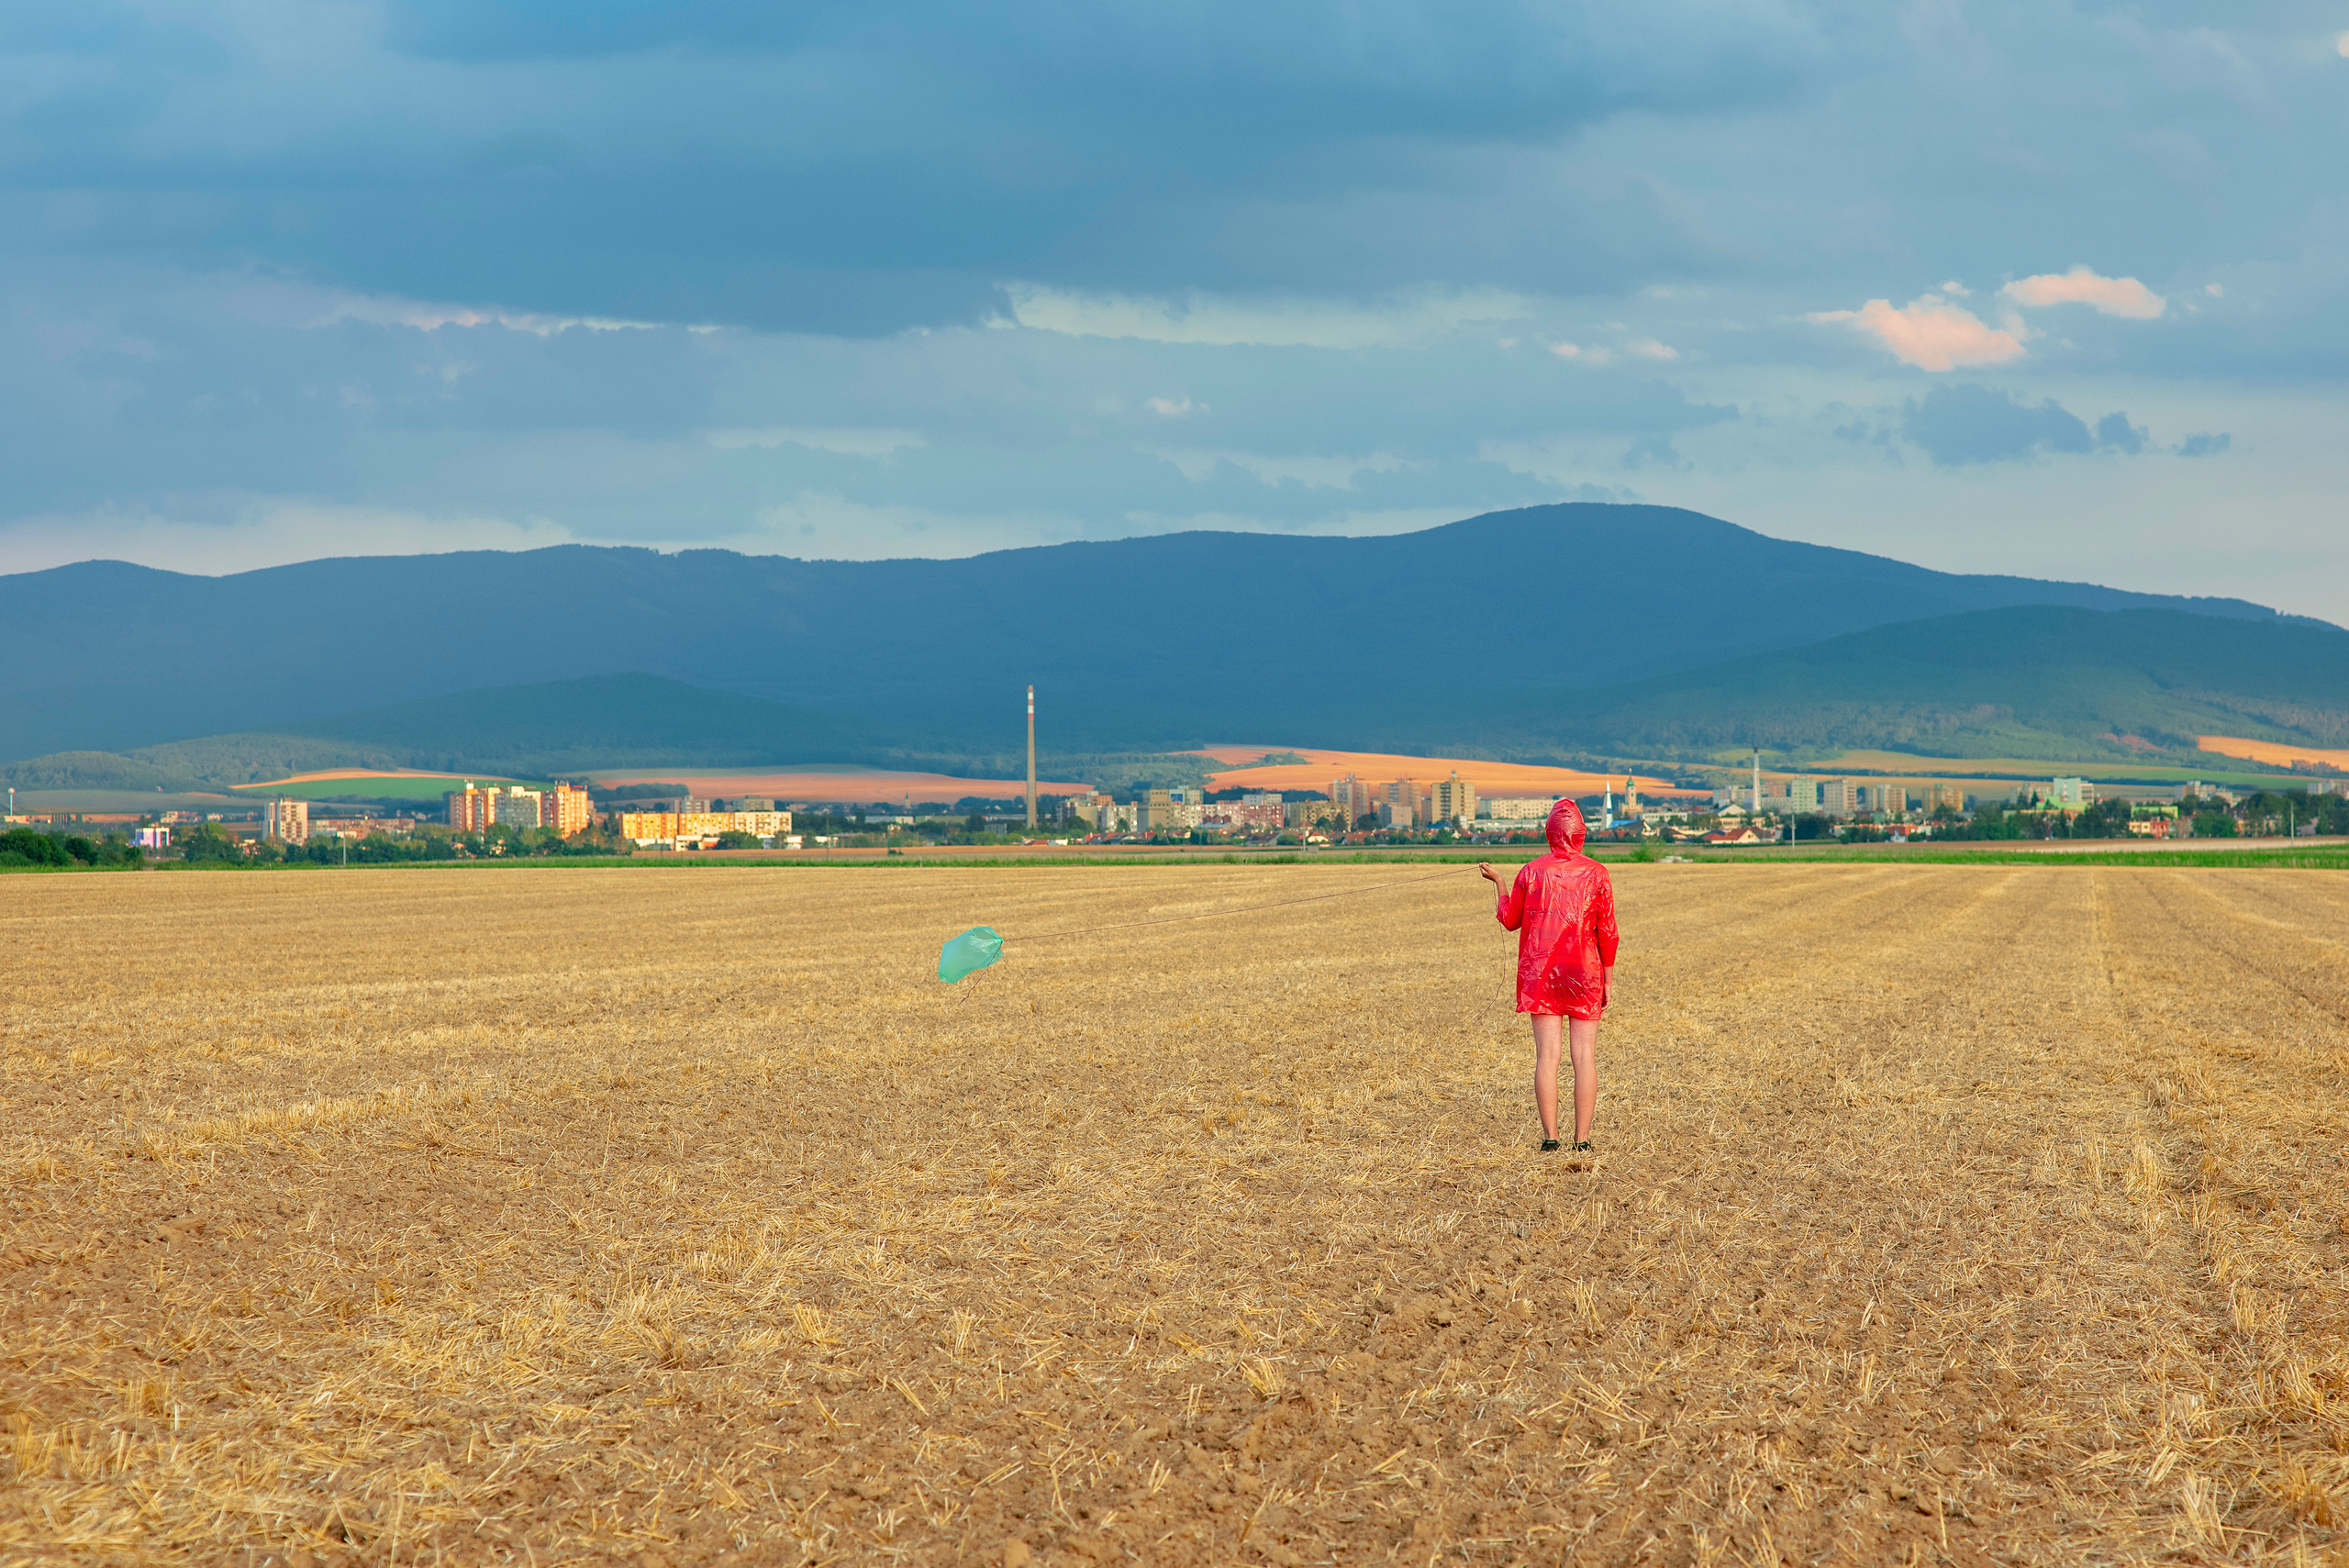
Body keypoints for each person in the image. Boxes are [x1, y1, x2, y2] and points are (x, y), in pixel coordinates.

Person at [1480, 798, 1618, 1154]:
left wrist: (1498, 881)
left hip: (1540, 974)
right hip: (1585, 972)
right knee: (1584, 1056)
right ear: (1581, 834)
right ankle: (1582, 1141)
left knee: (1547, 1056)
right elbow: (1609, 932)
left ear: (1550, 833)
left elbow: (1510, 920)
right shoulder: (1597, 873)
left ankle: (1550, 1139)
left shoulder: (1530, 871)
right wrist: (1608, 979)